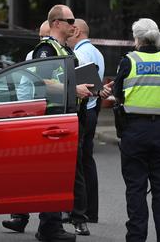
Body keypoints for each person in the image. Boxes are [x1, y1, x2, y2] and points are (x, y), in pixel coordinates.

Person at [2, 4, 94, 242]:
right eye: (70, 20)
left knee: (62, 174)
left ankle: (51, 225)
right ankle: (49, 227)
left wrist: (90, 88)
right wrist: (74, 89)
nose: (74, 25)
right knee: (53, 173)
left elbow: (67, 79)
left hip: (70, 119)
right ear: (56, 23)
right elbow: (40, 79)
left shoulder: (65, 49)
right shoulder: (46, 48)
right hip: (53, 120)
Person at [113, 18, 160, 242]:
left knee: (136, 189)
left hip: (135, 132)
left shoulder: (128, 61)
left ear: (137, 38)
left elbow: (119, 94)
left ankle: (136, 238)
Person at [67, 18, 105, 225]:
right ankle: (91, 210)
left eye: (71, 30)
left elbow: (81, 86)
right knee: (88, 161)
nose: (68, 34)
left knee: (79, 164)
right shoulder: (96, 51)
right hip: (93, 109)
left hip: (85, 110)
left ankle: (79, 211)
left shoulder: (81, 53)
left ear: (78, 31)